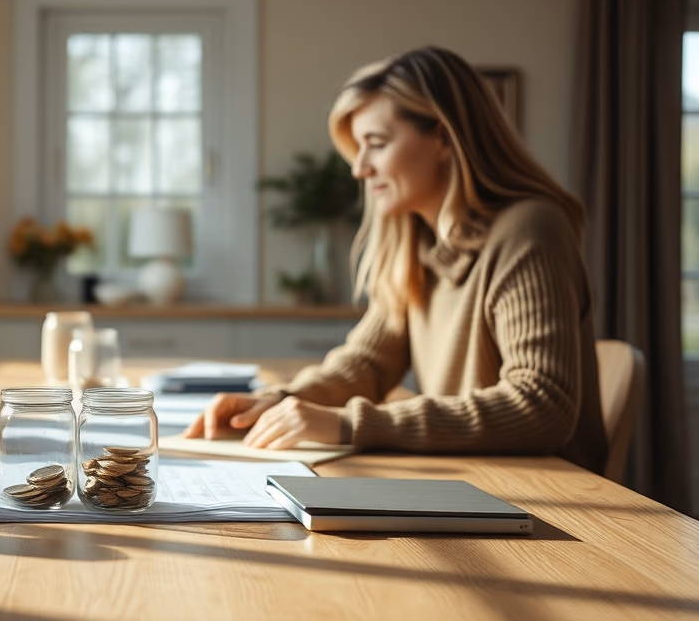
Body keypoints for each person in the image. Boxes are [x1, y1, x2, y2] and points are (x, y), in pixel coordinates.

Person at [185, 46, 608, 474]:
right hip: (469, 484)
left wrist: (350, 424)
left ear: (444, 137)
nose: (360, 169)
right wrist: (279, 401)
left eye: (377, 144)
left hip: (549, 500)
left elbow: (541, 406)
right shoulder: (418, 241)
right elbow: (367, 365)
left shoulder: (528, 229)